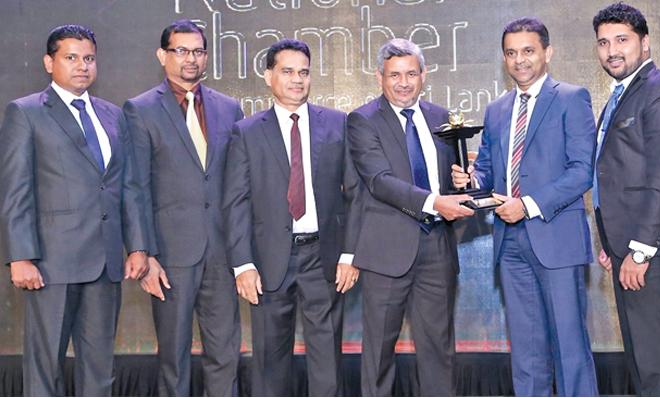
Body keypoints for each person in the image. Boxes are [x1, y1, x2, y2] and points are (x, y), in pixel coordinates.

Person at [0, 24, 150, 396]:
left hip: (105, 263)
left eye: (88, 58)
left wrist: (137, 246)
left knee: (100, 368)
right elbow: (16, 190)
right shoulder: (27, 112)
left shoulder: (114, 115)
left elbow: (126, 187)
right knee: (45, 364)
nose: (82, 66)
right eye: (71, 58)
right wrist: (20, 256)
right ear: (49, 62)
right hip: (51, 262)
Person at [453, 17, 598, 396]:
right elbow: (486, 169)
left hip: (556, 241)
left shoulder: (571, 97)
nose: (520, 60)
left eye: (528, 51)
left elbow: (582, 170)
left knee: (569, 347)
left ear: (547, 53)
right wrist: (470, 181)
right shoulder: (497, 109)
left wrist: (529, 205)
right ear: (504, 59)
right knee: (527, 351)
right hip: (510, 242)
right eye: (512, 53)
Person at [223, 38, 361, 396]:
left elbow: (356, 194)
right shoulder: (247, 131)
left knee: (327, 360)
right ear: (269, 76)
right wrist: (242, 264)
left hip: (325, 258)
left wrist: (349, 254)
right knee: (270, 361)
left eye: (304, 72)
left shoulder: (337, 124)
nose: (297, 79)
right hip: (269, 262)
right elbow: (235, 201)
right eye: (287, 71)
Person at [348, 38, 474, 396]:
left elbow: (452, 178)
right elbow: (378, 181)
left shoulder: (442, 118)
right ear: (380, 77)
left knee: (438, 351)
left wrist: (464, 180)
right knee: (379, 355)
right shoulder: (363, 120)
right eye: (394, 75)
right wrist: (436, 202)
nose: (403, 83)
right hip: (386, 254)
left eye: (411, 74)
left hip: (437, 249)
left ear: (424, 75)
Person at [123, 20, 243, 396]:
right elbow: (135, 185)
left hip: (222, 253)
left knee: (225, 354)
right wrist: (144, 252)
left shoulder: (229, 108)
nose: (190, 59)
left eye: (197, 51)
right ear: (163, 55)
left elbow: (238, 186)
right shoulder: (140, 110)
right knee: (174, 358)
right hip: (170, 256)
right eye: (181, 50)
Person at [590, 3, 660, 395]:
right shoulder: (621, 95)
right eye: (603, 43)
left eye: (622, 40)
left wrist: (639, 250)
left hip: (649, 254)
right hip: (625, 249)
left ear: (645, 43)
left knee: (658, 363)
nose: (612, 50)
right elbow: (613, 176)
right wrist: (609, 242)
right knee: (639, 359)